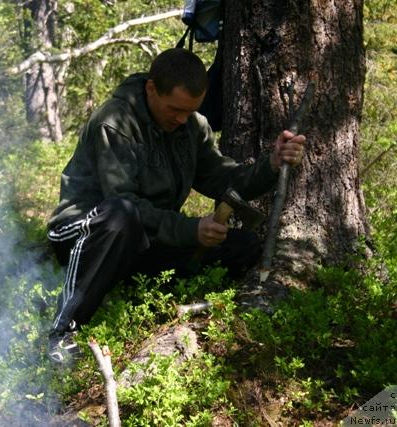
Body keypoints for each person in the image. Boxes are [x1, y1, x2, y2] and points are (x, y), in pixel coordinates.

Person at [46, 48, 306, 364]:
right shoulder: (114, 122)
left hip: (143, 240)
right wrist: (190, 229)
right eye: (175, 109)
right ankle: (62, 334)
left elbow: (223, 178)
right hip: (84, 232)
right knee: (121, 216)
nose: (181, 119)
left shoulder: (191, 126)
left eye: (190, 111)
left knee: (243, 246)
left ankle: (164, 306)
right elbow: (125, 204)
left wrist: (272, 164)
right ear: (152, 89)